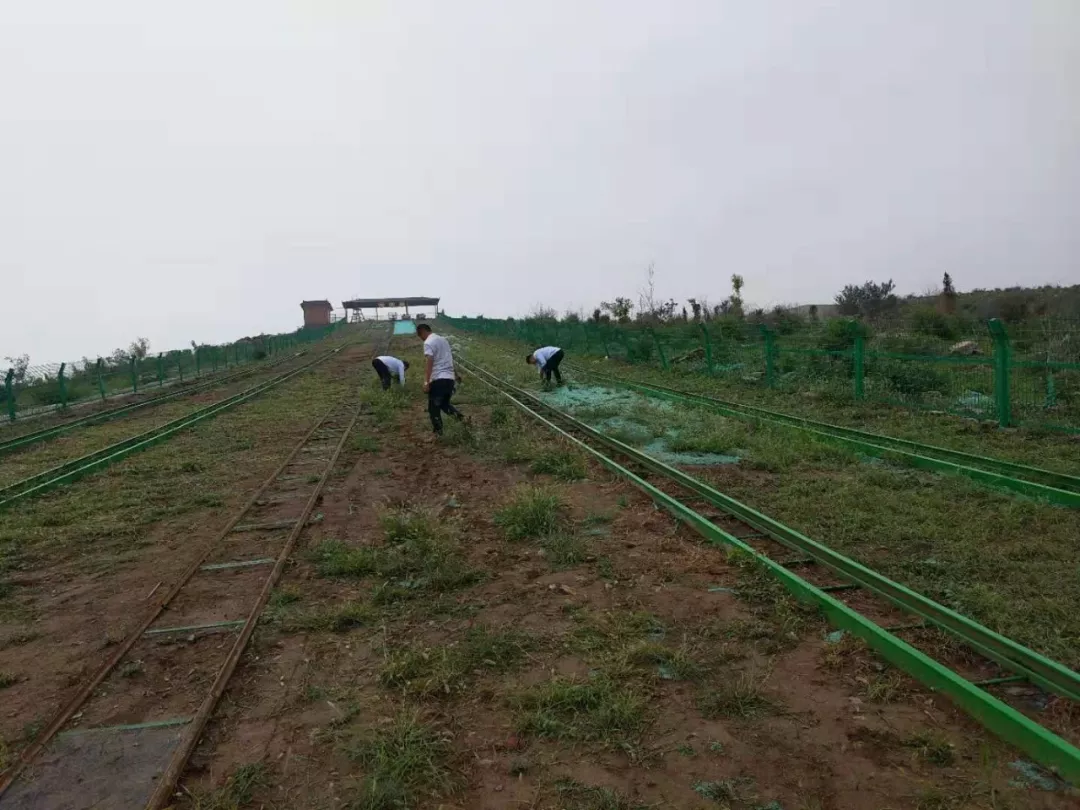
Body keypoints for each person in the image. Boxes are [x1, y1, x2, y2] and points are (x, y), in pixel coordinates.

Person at [416, 323, 464, 435]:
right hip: (449, 380)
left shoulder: (428, 342)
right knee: (444, 405)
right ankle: (462, 419)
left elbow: (429, 363)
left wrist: (426, 382)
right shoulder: (443, 340)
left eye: (420, 336)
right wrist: (455, 375)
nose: (422, 339)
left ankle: (438, 434)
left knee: (433, 408)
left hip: (439, 380)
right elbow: (449, 359)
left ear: (422, 332)